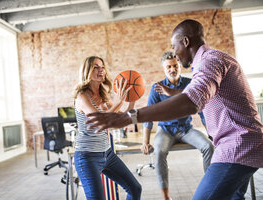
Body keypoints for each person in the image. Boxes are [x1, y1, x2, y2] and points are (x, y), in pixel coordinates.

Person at [86, 19, 263, 200]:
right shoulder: (210, 61)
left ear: (186, 42)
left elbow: (191, 102)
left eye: (174, 46)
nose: (175, 54)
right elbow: (199, 98)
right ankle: (166, 194)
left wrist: (129, 117)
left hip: (237, 145)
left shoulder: (210, 61)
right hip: (237, 142)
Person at [141, 51, 214, 200]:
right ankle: (165, 196)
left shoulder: (189, 84)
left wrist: (210, 132)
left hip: (186, 130)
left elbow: (202, 111)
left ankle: (210, 188)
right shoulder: (157, 87)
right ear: (164, 68)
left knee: (208, 146)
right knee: (159, 152)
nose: (172, 69)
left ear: (179, 66)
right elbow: (148, 116)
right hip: (166, 130)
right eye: (168, 67)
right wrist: (145, 142)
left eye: (175, 65)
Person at [73, 56, 142, 200]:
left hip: (107, 153)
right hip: (87, 157)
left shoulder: (104, 96)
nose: (101, 70)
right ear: (87, 71)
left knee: (135, 189)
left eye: (102, 67)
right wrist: (119, 101)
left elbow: (126, 119)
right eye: (96, 67)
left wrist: (132, 101)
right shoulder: (82, 97)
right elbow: (99, 120)